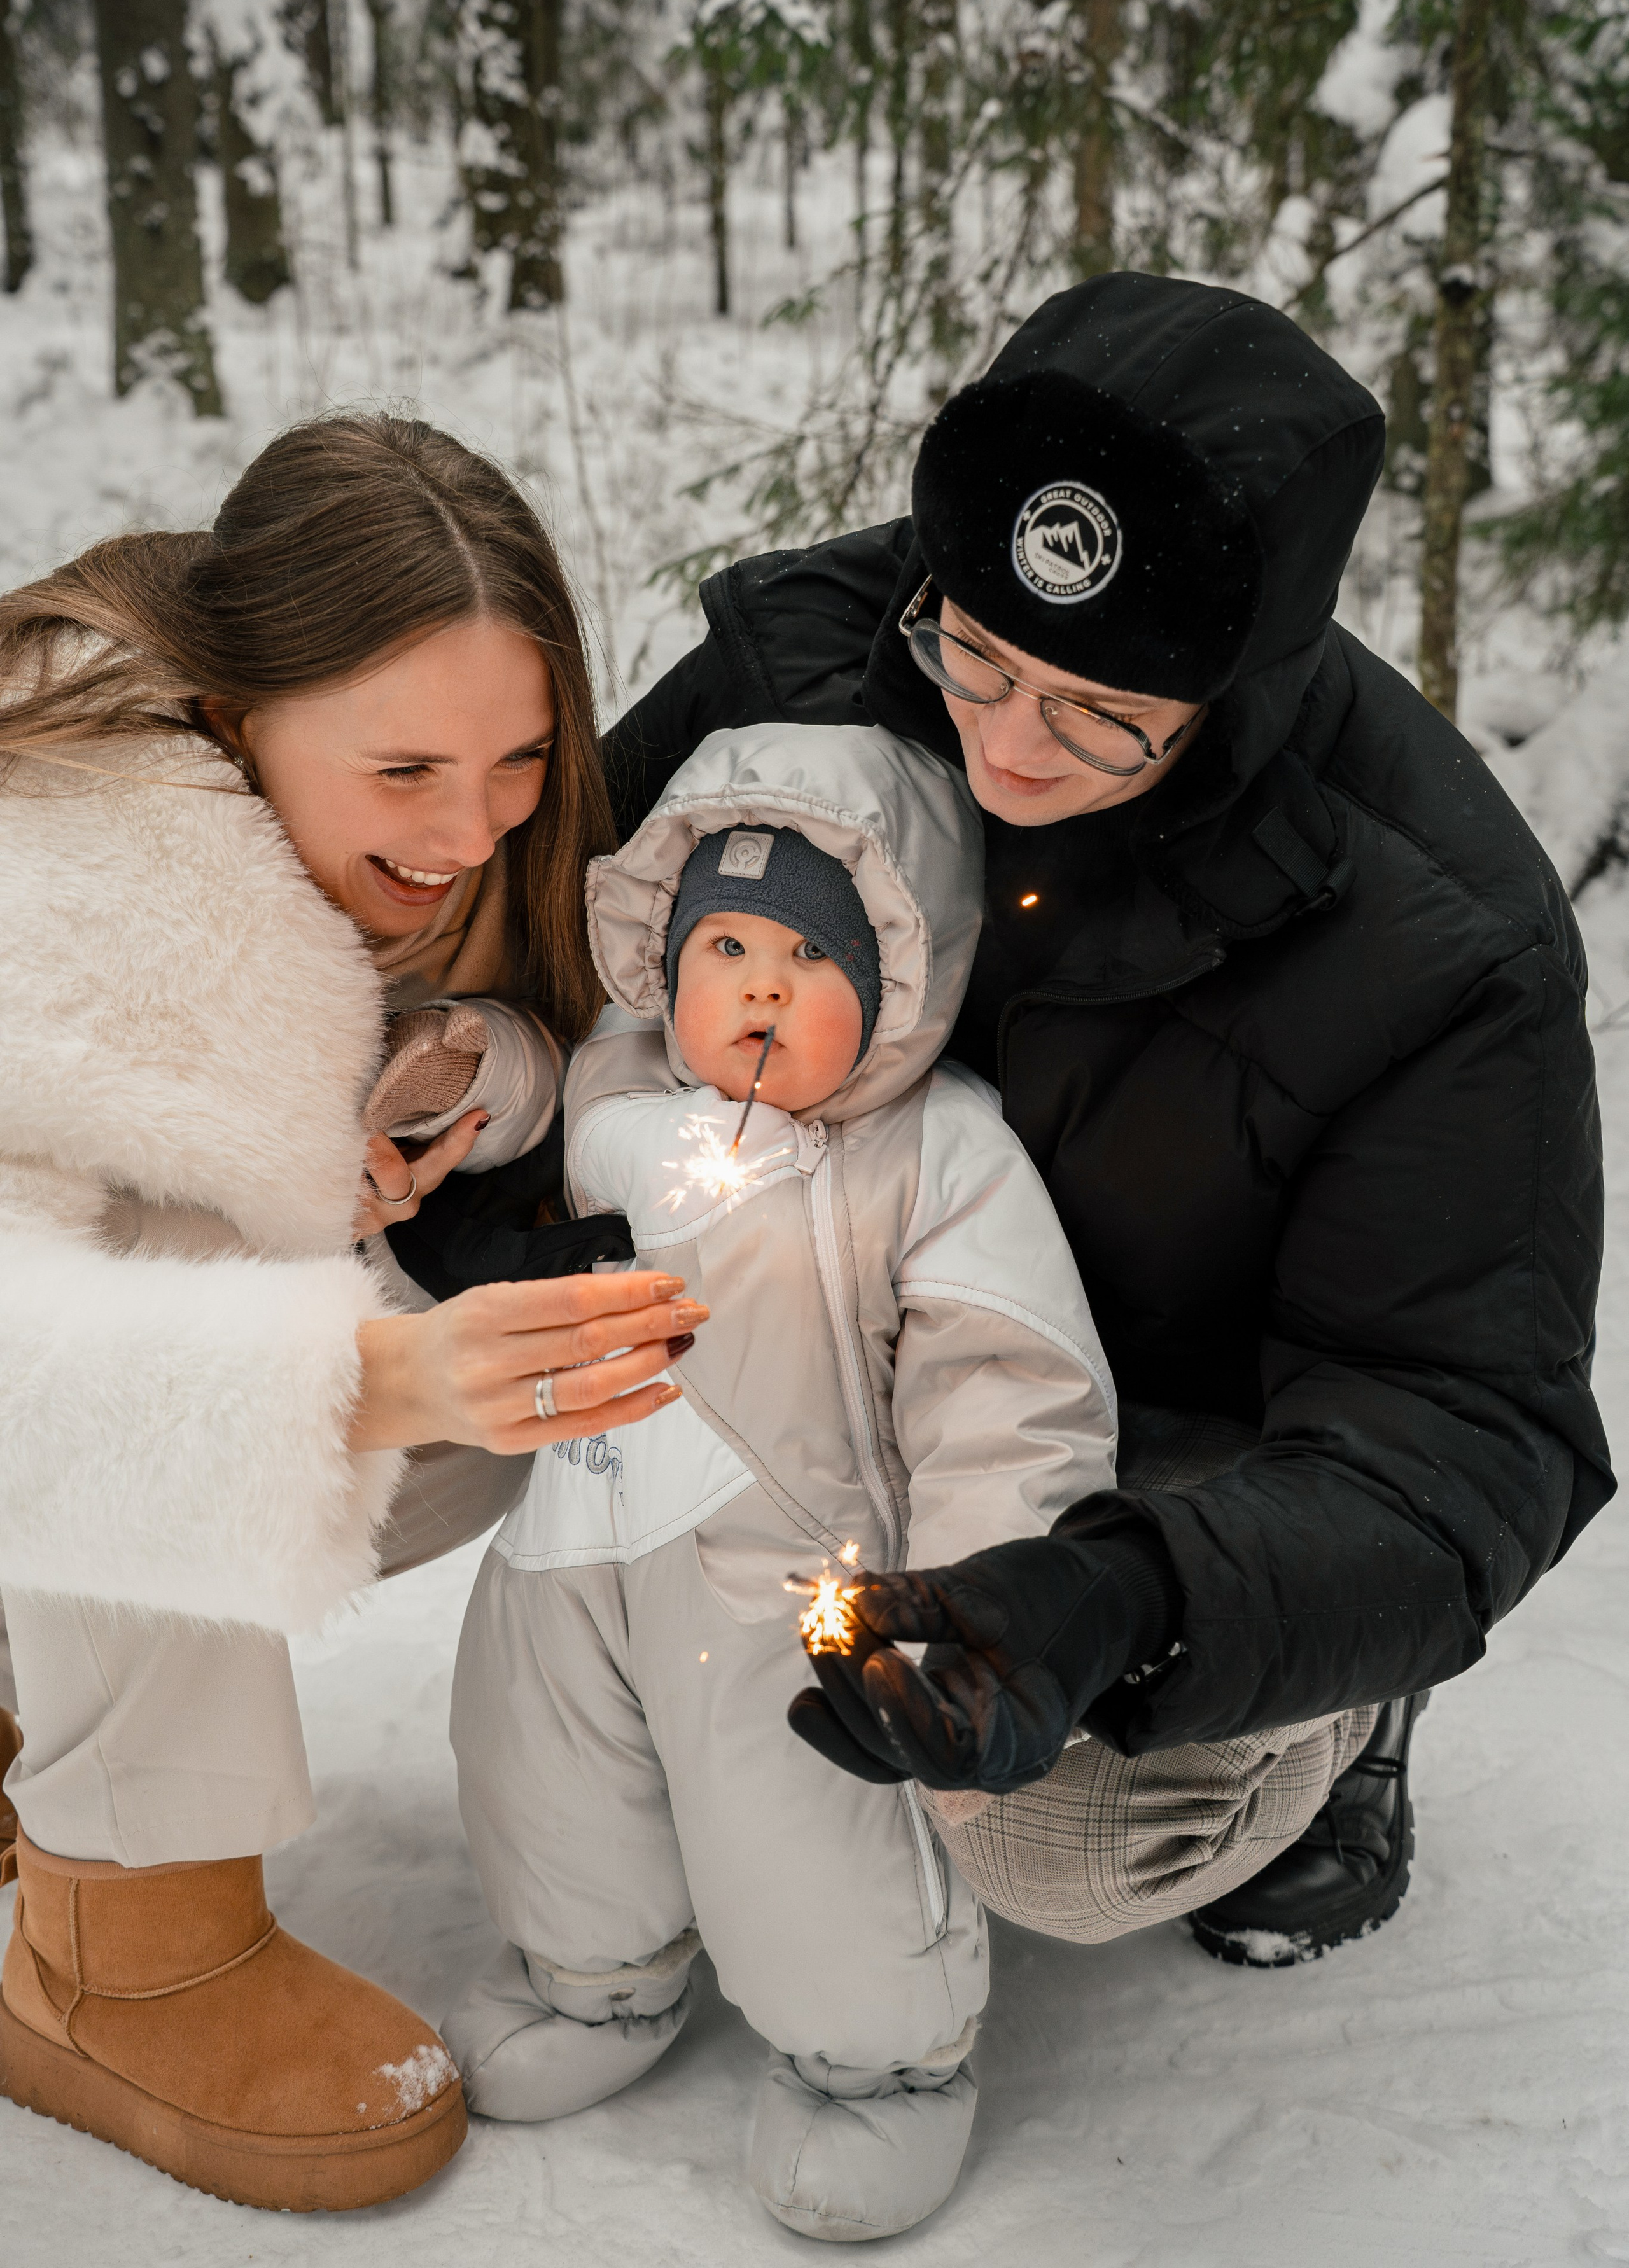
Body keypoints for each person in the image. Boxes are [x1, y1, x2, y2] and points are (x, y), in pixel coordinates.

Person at [603, 272, 1612, 1965]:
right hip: (825, 1307)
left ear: (1239, 682)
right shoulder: (813, 657)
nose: (1006, 747)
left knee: (1064, 1842)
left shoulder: (1448, 942)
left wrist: (1129, 1598)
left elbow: (1464, 1426)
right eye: (977, 661)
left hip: (1150, 1454)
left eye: (1099, 718)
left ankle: (1337, 1718)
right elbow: (558, 909)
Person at [0, 416, 709, 2211]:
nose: (473, 826)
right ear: (238, 718)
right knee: (188, 1271)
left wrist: (466, 1067)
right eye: (406, 770)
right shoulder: (63, 889)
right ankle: (122, 1942)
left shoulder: (353, 840)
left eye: (522, 759)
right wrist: (377, 1371)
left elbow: (515, 1007)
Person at [438, 721, 1116, 2241]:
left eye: (810, 961)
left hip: (786, 1577)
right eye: (725, 944)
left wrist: (978, 1587)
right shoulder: (617, 1088)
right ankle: (593, 1978)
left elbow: (1008, 1389)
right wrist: (466, 1062)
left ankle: (882, 2062)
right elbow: (522, 1077)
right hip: (570, 1547)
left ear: (895, 985)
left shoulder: (931, 1155)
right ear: (661, 964)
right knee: (545, 1770)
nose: (756, 985)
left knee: (802, 1815)